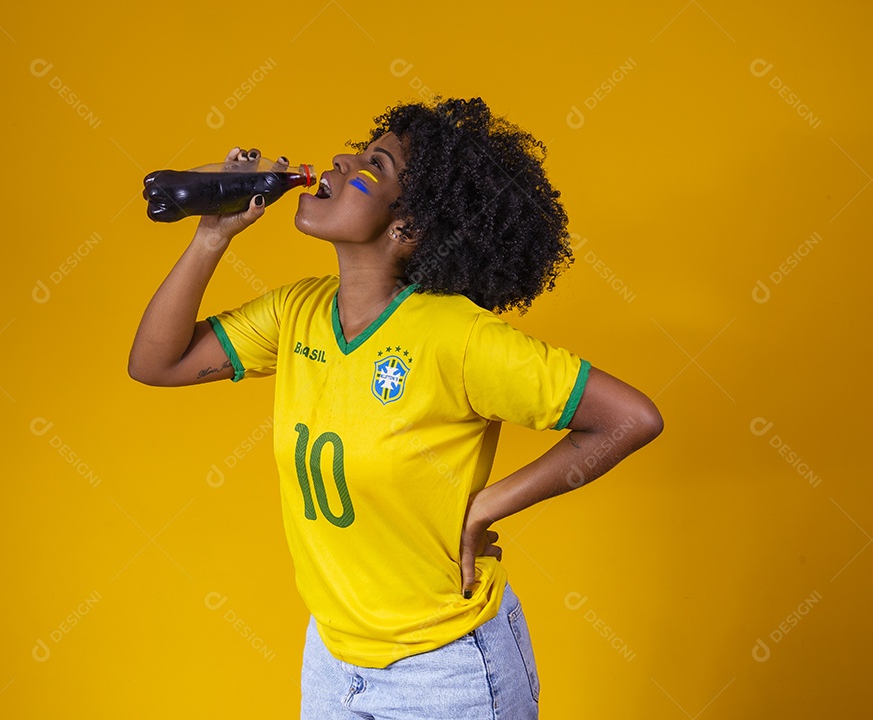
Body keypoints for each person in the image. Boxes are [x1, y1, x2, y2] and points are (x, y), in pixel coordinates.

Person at [128, 96, 663, 719]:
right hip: (333, 658)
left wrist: (486, 507)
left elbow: (631, 418)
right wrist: (211, 236)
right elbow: (156, 364)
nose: (341, 159)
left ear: (407, 228)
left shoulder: (459, 339)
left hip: (447, 670)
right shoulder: (297, 312)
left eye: (373, 164)